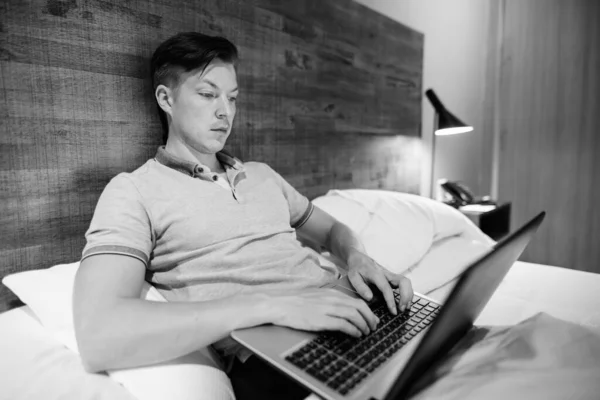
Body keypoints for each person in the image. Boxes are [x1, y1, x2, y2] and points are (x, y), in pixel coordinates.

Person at [73, 32, 413, 399]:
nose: (226, 111)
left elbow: (331, 231)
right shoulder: (133, 190)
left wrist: (357, 256)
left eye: (232, 98)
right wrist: (275, 305)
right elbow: (100, 333)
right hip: (275, 354)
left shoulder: (261, 174)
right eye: (208, 94)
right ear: (166, 99)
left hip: (347, 307)